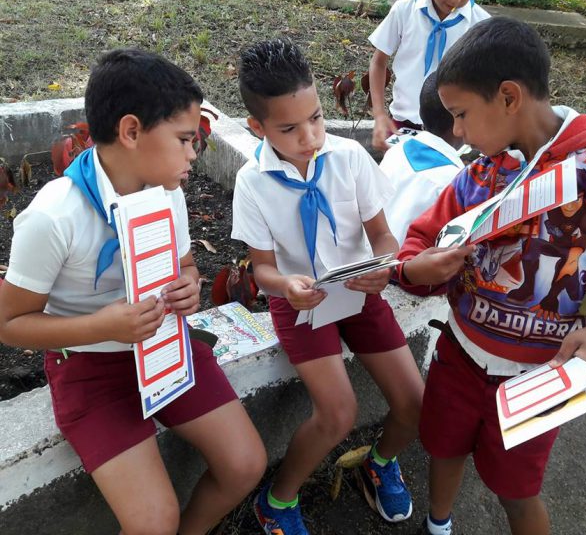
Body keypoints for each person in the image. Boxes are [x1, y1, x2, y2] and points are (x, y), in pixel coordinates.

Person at [395, 17, 586, 535]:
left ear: (507, 96)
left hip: (540, 377)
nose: (456, 132)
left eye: (460, 115)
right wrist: (417, 266)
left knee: (518, 489)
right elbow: (420, 239)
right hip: (460, 354)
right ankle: (437, 524)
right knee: (442, 447)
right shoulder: (480, 173)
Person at [0, 49, 267, 535]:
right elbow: (10, 324)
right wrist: (104, 326)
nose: (193, 154)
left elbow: (185, 265)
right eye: (186, 140)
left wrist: (190, 285)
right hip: (89, 368)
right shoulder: (53, 216)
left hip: (165, 348)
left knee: (246, 463)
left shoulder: (165, 190)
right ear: (130, 132)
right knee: (152, 520)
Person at [233, 38, 425, 535]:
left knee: (414, 401)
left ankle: (379, 462)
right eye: (289, 128)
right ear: (257, 127)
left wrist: (383, 266)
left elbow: (382, 234)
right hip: (298, 302)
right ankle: (277, 500)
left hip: (358, 290)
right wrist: (287, 286)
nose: (310, 136)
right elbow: (262, 270)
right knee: (338, 414)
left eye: (316, 117)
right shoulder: (253, 182)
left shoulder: (349, 157)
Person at [367, 0, 489, 152]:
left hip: (451, 132)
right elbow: (378, 63)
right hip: (402, 123)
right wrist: (379, 114)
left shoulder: (481, 25)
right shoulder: (404, 10)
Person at [379, 71, 465, 244]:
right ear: (458, 120)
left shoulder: (396, 150)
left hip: (372, 260)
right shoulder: (455, 183)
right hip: (408, 267)